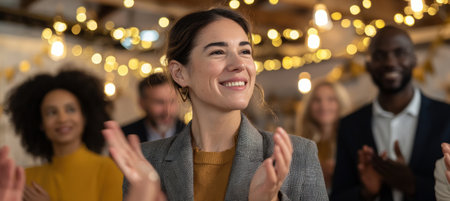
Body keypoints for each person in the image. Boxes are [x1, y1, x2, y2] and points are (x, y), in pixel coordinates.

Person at [102, 8, 328, 201]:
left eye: (245, 51)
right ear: (180, 73)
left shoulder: (300, 155)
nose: (239, 64)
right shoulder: (148, 161)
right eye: (218, 52)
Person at [331, 26, 450, 201]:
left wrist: (412, 184)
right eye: (380, 55)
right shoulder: (350, 125)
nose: (390, 62)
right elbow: (338, 196)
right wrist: (366, 193)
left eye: (399, 53)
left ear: (414, 59)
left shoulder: (446, 117)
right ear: (369, 65)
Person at [5, 69, 123, 201]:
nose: (62, 119)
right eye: (51, 112)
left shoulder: (108, 170)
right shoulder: (24, 177)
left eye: (70, 109)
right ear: (40, 123)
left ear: (84, 117)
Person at [296, 80, 350, 191]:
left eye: (331, 99)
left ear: (340, 103)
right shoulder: (300, 145)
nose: (323, 106)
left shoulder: (350, 141)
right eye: (317, 100)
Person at [122, 73, 185, 142]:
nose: (168, 111)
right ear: (142, 103)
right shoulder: (124, 136)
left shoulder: (192, 134)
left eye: (172, 101)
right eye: (159, 102)